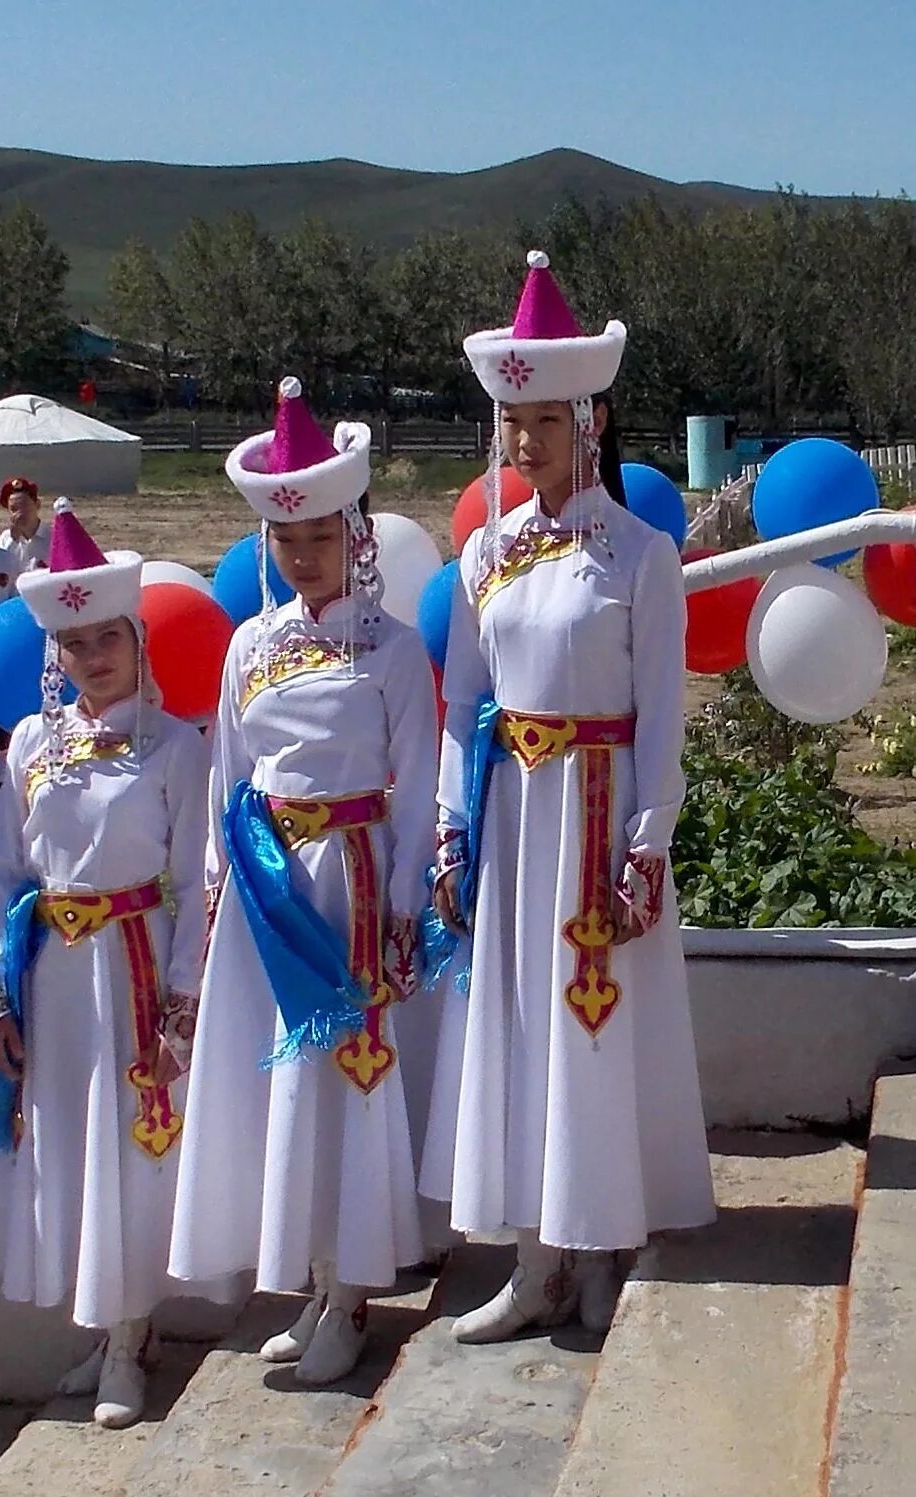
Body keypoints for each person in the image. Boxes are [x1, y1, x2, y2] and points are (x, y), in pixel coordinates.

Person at [421, 251, 714, 1343]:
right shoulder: (484, 558)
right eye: (511, 420)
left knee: (595, 1033)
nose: (526, 440)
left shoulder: (637, 554)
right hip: (514, 817)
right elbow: (464, 708)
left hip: (597, 818)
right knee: (520, 1032)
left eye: (545, 418)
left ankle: (602, 1249)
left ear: (588, 421)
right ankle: (534, 1259)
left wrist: (647, 843)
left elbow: (657, 714)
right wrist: (454, 825)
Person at [168, 377, 437, 1387]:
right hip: (267, 893)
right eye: (284, 541)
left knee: (350, 1081)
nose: (301, 556)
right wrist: (215, 891)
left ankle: (356, 1288)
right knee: (288, 1085)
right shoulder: (248, 646)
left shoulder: (392, 650)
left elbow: (412, 793)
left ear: (352, 533)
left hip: (353, 886)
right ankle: (313, 1277)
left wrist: (402, 905)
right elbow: (225, 780)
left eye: (318, 537)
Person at [0, 499, 209, 1429]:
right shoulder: (30, 744)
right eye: (75, 642)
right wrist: (0, 984)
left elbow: (196, 882)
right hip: (56, 973)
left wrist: (181, 997)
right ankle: (108, 1324)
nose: (94, 654)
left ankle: (129, 1335)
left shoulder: (176, 746)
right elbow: (5, 870)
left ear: (136, 638)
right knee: (72, 1149)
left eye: (109, 635)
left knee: (133, 1146)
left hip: (134, 964)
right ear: (55, 654)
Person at [0, 476, 50, 574]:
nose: (20, 513)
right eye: (14, 509)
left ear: (37, 505)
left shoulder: (53, 537)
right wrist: (13, 541)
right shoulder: (6, 538)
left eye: (25, 505)